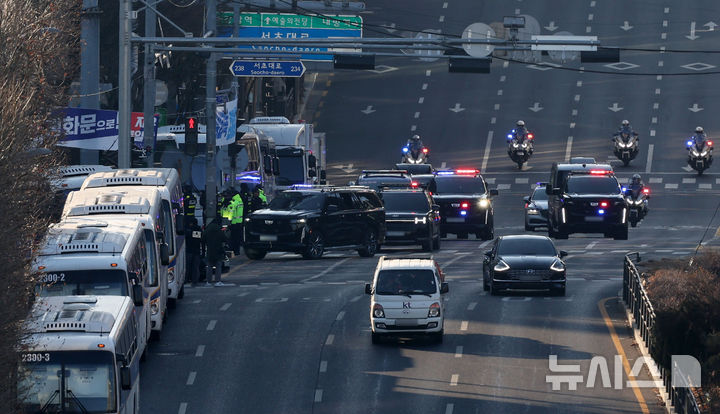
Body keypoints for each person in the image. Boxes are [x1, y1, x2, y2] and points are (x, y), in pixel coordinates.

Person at [201, 216, 227, 287]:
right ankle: (217, 281)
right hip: (218, 249)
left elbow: (203, 239)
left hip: (210, 250)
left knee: (209, 266)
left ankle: (208, 281)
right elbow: (224, 238)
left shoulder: (208, 229)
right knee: (218, 266)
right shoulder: (219, 229)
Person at [185, 217, 203, 287]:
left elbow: (189, 236)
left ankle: (186, 279)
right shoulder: (198, 229)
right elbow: (199, 238)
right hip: (196, 250)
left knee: (188, 266)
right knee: (195, 267)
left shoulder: (189, 230)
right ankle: (194, 280)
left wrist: (190, 233)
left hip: (189, 250)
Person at [229, 190, 244, 255]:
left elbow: (230, 213)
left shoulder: (233, 202)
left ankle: (234, 250)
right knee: (238, 238)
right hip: (239, 222)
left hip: (234, 223)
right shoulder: (240, 201)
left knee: (233, 238)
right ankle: (237, 251)